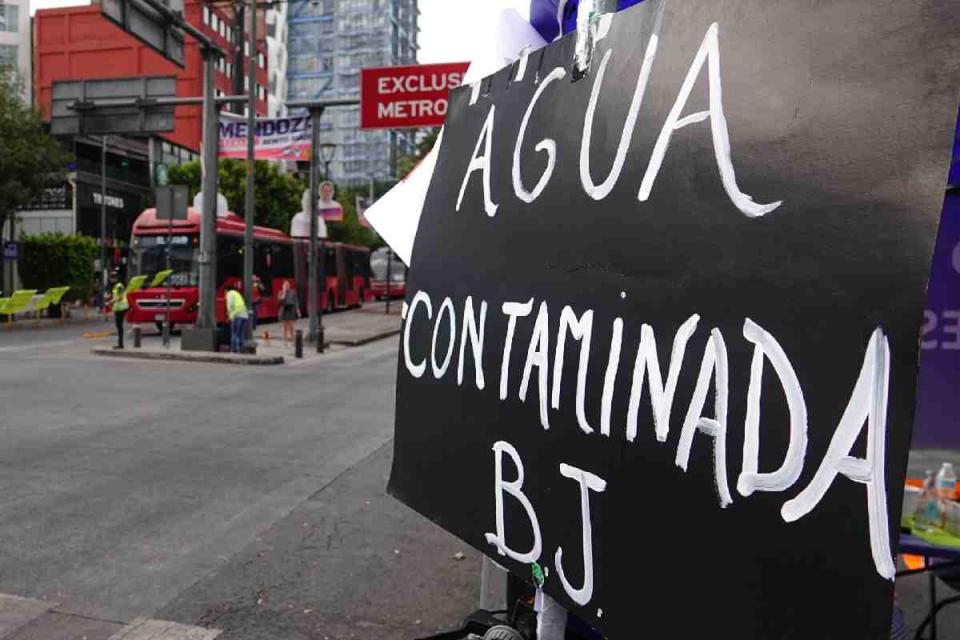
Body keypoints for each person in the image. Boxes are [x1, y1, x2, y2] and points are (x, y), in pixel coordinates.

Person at [225, 283, 248, 353]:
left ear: (226, 290)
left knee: (234, 333)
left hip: (237, 315)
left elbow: (230, 305)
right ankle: (242, 348)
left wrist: (229, 316)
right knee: (241, 333)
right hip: (244, 315)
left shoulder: (229, 294)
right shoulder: (237, 293)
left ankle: (234, 350)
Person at [108, 273, 129, 349]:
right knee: (119, 326)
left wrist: (111, 301)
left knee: (119, 326)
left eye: (111, 278)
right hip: (118, 308)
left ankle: (120, 344)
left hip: (121, 308)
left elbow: (120, 297)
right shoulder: (116, 286)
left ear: (114, 279)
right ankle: (120, 344)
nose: (110, 280)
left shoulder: (119, 286)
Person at [277, 280, 300, 345]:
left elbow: (296, 302)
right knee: (285, 327)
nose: (287, 286)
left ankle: (293, 341)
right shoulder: (280, 292)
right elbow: (279, 302)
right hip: (283, 310)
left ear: (289, 286)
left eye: (288, 285)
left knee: (291, 326)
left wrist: (298, 311)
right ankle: (285, 342)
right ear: (283, 286)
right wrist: (284, 293)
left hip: (291, 310)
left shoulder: (293, 292)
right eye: (285, 285)